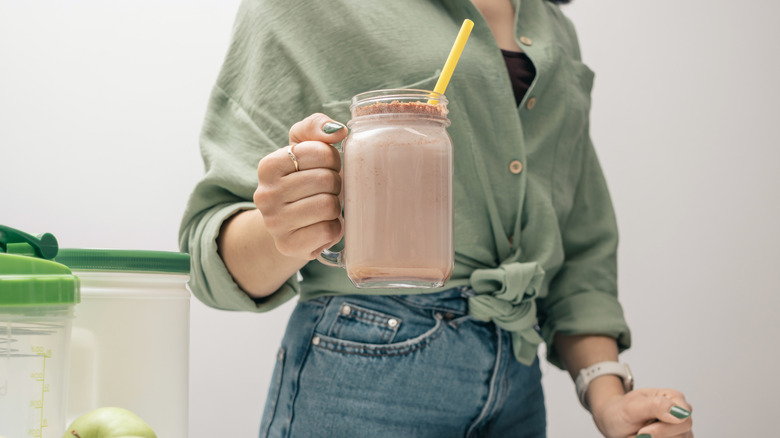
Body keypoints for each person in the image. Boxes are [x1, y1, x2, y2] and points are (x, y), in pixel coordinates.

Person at [180, 0, 694, 436]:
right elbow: (209, 254)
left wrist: (606, 396)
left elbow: (579, 251)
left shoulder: (554, 26)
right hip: (363, 369)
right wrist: (286, 228)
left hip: (517, 383)